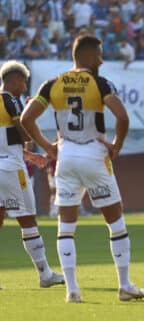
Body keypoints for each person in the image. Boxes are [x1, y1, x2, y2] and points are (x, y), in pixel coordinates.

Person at [21, 35, 144, 302]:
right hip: (93, 154)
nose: (101, 59)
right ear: (89, 55)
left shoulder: (52, 84)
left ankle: (72, 290)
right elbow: (122, 117)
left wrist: (48, 146)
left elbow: (26, 118)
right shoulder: (100, 84)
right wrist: (117, 145)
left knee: (65, 226)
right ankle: (124, 285)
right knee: (116, 223)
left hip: (65, 156)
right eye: (99, 54)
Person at [0, 60, 65, 289]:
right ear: (13, 79)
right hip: (10, 171)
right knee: (28, 220)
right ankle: (45, 274)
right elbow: (23, 133)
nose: (25, 85)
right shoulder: (9, 99)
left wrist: (29, 156)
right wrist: (46, 145)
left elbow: (6, 141)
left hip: (5, 164)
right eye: (24, 81)